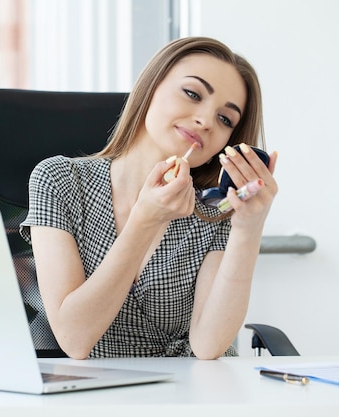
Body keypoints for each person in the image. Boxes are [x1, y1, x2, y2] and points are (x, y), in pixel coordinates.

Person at [19, 37, 278, 360]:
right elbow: (75, 338)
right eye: (193, 94)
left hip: (192, 392)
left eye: (225, 119)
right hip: (97, 394)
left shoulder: (214, 208)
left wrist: (248, 228)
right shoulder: (59, 180)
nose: (206, 121)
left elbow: (209, 346)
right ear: (151, 86)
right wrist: (144, 220)